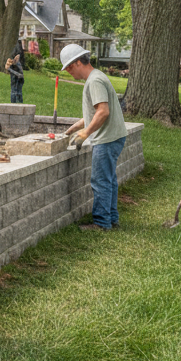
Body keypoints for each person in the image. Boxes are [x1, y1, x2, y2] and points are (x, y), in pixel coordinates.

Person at [60, 43, 128, 231]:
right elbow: (95, 111)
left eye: (69, 68)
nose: (69, 73)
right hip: (114, 136)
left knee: (100, 182)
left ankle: (101, 224)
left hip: (107, 139)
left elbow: (103, 112)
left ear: (77, 63)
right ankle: (112, 220)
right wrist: (75, 128)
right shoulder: (97, 77)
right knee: (109, 181)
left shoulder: (95, 81)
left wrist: (86, 133)